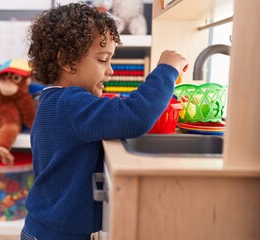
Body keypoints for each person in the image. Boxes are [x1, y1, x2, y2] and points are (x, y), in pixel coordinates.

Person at [22, 3, 187, 240]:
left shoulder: (56, 100)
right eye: (102, 60)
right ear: (68, 61)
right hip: (56, 234)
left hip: (49, 227)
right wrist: (166, 70)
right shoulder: (71, 104)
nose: (110, 71)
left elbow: (113, 109)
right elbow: (135, 116)